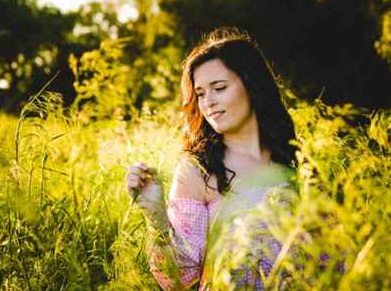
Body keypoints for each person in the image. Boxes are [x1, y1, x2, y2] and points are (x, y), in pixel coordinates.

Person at [126, 27, 299, 290]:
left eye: (219, 88)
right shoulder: (198, 171)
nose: (208, 102)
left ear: (252, 85)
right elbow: (178, 280)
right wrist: (156, 215)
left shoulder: (296, 161)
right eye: (200, 94)